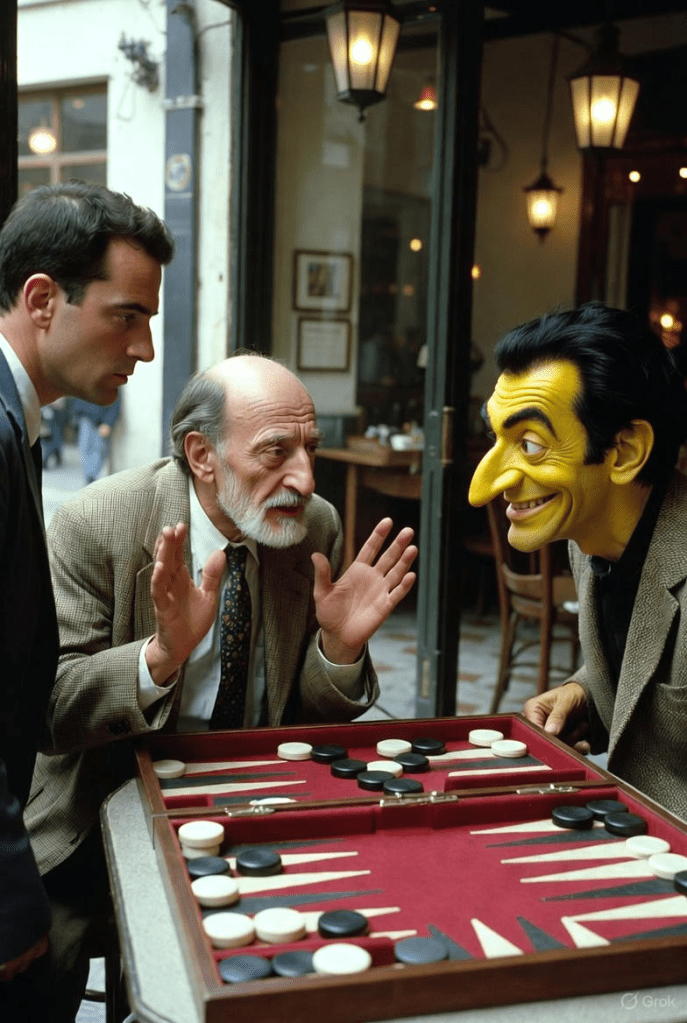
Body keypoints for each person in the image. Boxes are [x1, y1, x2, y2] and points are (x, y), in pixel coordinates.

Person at [25, 351, 417, 1011]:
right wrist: (158, 658)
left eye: (310, 449)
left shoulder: (311, 526)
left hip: (260, 802)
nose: (304, 477)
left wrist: (339, 648)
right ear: (201, 455)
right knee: (43, 971)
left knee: (349, 932)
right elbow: (52, 710)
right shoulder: (96, 523)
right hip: (103, 805)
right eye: (275, 452)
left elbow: (306, 718)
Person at [0, 180, 173, 1020]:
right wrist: (7, 893)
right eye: (126, 315)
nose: (145, 347)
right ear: (42, 300)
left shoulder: (18, 423)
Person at [468, 302, 687, 821]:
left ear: (625, 451)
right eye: (496, 437)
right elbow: (645, 651)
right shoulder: (587, 535)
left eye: (530, 444)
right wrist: (584, 695)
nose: (484, 487)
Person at [72, 395, 120, 483]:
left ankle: (92, 477)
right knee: (86, 447)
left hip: (102, 420)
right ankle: (90, 478)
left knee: (101, 449)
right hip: (86, 416)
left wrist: (108, 422)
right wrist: (77, 413)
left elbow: (115, 402)